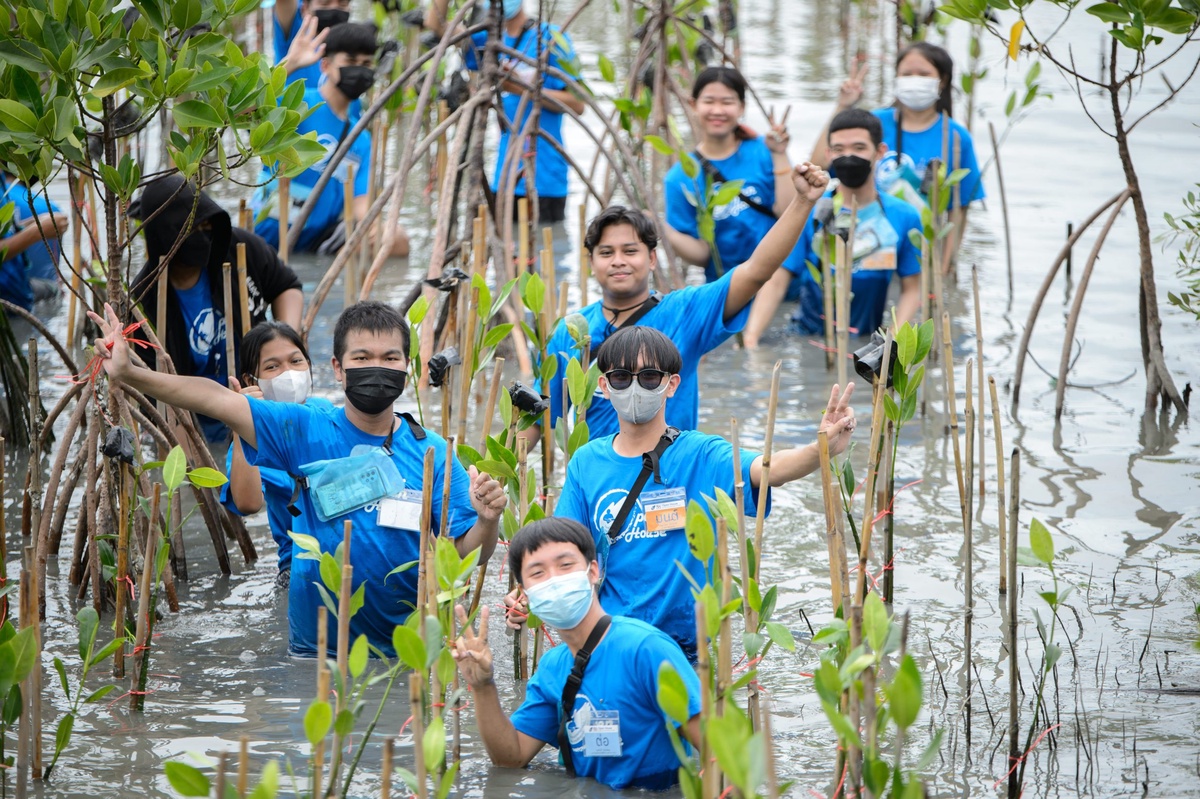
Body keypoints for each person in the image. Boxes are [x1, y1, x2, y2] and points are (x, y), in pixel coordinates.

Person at [89, 300, 506, 658]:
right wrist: (131, 375)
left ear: (406, 366)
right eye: (361, 358)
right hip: (316, 653)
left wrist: (488, 520)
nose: (376, 368)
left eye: (390, 358)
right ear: (338, 369)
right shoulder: (304, 430)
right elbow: (214, 398)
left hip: (407, 654)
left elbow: (467, 553)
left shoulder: (431, 450)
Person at [525, 327, 856, 658]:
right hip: (612, 642)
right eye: (622, 377)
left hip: (687, 648)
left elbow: (769, 469)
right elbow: (563, 551)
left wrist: (820, 446)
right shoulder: (586, 462)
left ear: (672, 385)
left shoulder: (702, 454)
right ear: (604, 386)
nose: (636, 387)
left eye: (650, 377)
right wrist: (531, 595)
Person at [525, 162, 828, 446]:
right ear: (591, 263)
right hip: (600, 485)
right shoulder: (570, 332)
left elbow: (757, 270)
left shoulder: (685, 311)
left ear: (652, 258)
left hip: (669, 476)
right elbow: (539, 418)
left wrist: (802, 201)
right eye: (606, 253)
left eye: (630, 251)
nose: (618, 261)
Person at [453, 517, 701, 790]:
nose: (554, 579)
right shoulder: (552, 668)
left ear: (593, 571)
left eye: (566, 565)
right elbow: (510, 758)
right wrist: (482, 686)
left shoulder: (646, 650)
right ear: (524, 593)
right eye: (538, 573)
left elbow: (719, 752)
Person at [129, 175, 304, 442]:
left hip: (255, 394)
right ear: (166, 237)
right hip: (195, 412)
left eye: (207, 226)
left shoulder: (236, 249)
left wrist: (288, 340)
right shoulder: (143, 302)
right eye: (192, 231)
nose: (204, 237)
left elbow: (286, 286)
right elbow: (160, 397)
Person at [744, 109, 922, 346]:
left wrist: (892, 343)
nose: (848, 156)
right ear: (828, 154)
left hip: (866, 337)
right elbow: (778, 279)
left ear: (879, 151)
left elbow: (912, 288)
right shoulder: (811, 210)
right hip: (808, 336)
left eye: (859, 148)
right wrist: (751, 338)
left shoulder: (904, 216)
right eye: (839, 149)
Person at [254, 23, 409, 257]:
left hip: (317, 239)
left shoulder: (361, 138)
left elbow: (361, 203)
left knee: (397, 240)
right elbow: (240, 110)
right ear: (326, 65)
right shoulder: (298, 103)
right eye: (350, 61)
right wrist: (291, 63)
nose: (359, 70)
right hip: (267, 233)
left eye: (366, 64)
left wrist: (375, 227)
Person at [425, 0, 585, 224]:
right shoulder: (490, 40)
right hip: (505, 176)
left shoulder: (551, 38)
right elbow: (437, 26)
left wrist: (518, 88)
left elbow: (578, 104)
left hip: (545, 178)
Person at [810, 43, 985, 211]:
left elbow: (959, 208)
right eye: (907, 74)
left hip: (922, 238)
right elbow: (819, 164)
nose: (915, 81)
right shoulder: (873, 123)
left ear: (943, 80)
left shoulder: (956, 137)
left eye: (924, 75)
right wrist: (843, 106)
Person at [220, 322, 332, 584]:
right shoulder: (251, 440)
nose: (289, 373)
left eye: (296, 361)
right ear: (251, 381)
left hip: (347, 552)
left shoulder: (325, 411)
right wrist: (242, 420)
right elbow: (248, 504)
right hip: (299, 566)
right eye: (273, 367)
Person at [663, 66, 794, 283]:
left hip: (780, 280)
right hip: (727, 287)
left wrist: (780, 155)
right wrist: (662, 229)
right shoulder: (679, 177)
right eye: (709, 101)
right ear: (693, 105)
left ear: (741, 107)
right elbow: (702, 255)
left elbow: (789, 213)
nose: (717, 110)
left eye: (727, 102)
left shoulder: (764, 151)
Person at [0, 173, 68, 311]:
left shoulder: (3, 185)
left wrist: (29, 225)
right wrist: (38, 231)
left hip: (17, 291)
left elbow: (5, 231)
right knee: (55, 291)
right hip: (7, 295)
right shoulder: (48, 206)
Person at [271, 0, 353, 92]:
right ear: (305, 8)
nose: (334, 9)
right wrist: (292, 62)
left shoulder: (352, 46)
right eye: (324, 3)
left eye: (343, 4)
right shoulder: (296, 31)